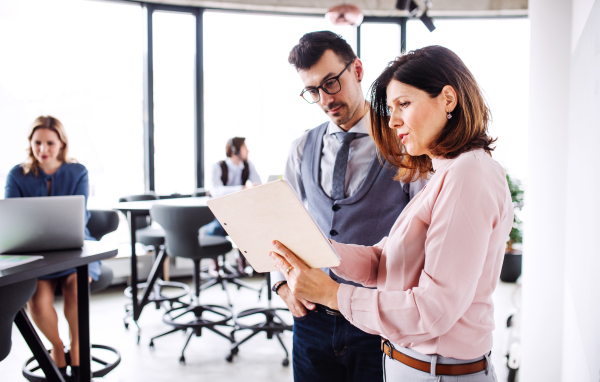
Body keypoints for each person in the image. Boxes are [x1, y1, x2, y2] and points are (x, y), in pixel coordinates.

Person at [270, 45, 514, 381]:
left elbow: (434, 309)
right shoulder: (447, 172)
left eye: (404, 104)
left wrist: (332, 294)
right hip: (412, 365)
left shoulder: (469, 174)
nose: (393, 119)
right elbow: (386, 262)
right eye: (391, 107)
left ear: (448, 99)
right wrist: (319, 251)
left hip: (437, 372)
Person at [271, 31, 426, 382]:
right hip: (311, 319)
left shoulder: (402, 143)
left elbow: (424, 229)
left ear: (357, 69)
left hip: (373, 320)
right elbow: (281, 224)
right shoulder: (300, 148)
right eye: (313, 91)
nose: (325, 99)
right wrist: (280, 285)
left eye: (330, 83)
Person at [4, 115, 99, 380]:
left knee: (76, 289)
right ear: (30, 143)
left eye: (49, 143)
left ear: (61, 143)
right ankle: (57, 348)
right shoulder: (17, 174)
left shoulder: (77, 172)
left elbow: (81, 216)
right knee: (38, 301)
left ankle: (78, 349)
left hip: (74, 246)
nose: (43, 149)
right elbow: (11, 218)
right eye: (37, 143)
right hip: (35, 252)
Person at [205, 137, 261, 236]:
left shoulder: (248, 165)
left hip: (240, 210)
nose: (248, 151)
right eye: (244, 148)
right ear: (234, 151)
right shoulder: (217, 167)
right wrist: (242, 189)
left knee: (251, 228)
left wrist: (255, 187)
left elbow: (258, 184)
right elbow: (216, 191)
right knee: (217, 229)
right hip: (220, 211)